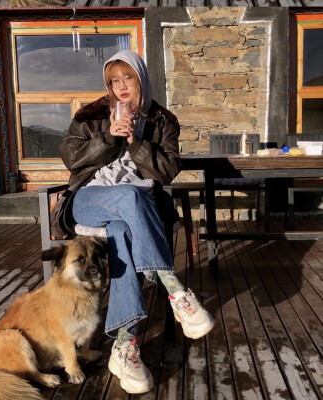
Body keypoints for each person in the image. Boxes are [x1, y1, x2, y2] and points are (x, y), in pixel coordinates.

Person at [55, 50, 214, 394]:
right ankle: (174, 289)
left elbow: (169, 170)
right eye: (115, 80)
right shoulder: (91, 114)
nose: (122, 86)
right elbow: (71, 157)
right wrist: (109, 137)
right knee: (128, 197)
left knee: (123, 231)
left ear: (141, 78)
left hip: (134, 212)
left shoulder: (162, 122)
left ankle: (125, 346)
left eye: (128, 78)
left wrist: (136, 142)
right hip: (90, 201)